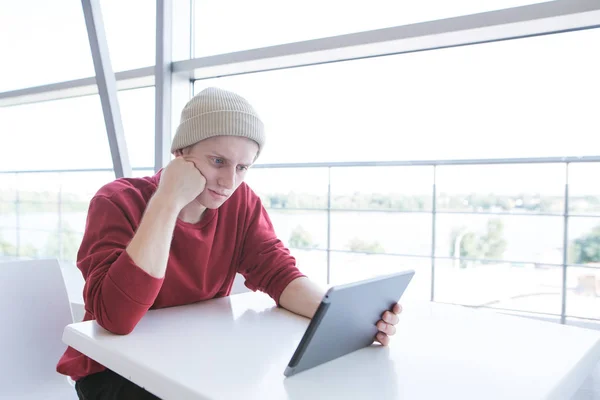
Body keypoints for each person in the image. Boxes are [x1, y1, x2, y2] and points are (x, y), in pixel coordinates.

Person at [56, 87, 403, 399]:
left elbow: (279, 275)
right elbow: (117, 318)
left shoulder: (241, 203)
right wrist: (167, 201)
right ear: (181, 152)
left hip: (195, 359)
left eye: (242, 168)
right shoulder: (117, 200)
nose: (228, 181)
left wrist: (348, 320)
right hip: (114, 372)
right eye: (218, 161)